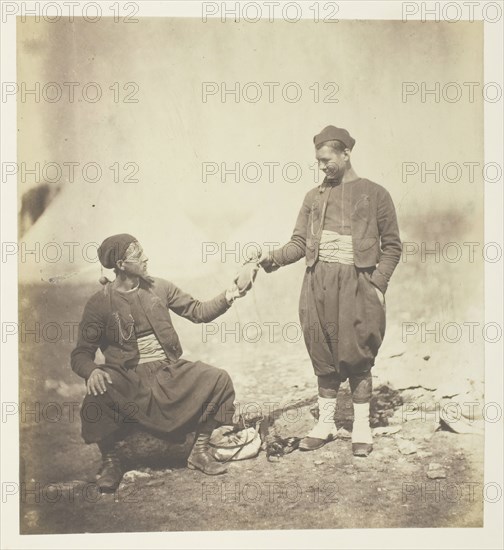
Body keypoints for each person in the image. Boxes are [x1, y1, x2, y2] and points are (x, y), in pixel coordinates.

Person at [258, 125, 402, 457]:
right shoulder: (313, 197)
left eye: (327, 160)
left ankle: (362, 428)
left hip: (357, 284)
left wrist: (377, 285)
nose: (322, 167)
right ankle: (325, 424)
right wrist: (270, 258)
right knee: (322, 351)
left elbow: (393, 247)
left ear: (346, 153)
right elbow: (298, 243)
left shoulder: (375, 194)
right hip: (317, 283)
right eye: (319, 162)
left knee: (358, 352)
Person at [71, 233, 250, 491]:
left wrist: (232, 293)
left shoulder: (160, 287)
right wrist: (91, 372)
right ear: (121, 264)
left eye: (143, 251)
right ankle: (111, 462)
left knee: (218, 378)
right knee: (95, 399)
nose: (146, 258)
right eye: (138, 255)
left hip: (167, 371)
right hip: (126, 377)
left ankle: (198, 452)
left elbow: (198, 311)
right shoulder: (99, 303)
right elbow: (80, 354)